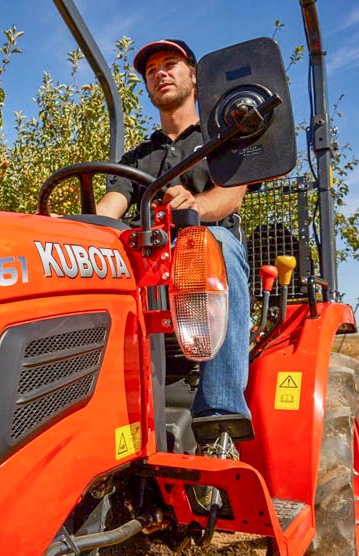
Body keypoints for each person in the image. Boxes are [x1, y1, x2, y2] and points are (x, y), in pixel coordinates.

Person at [96, 39, 252, 458]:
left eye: (170, 64)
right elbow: (111, 209)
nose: (160, 73)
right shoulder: (138, 157)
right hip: (150, 263)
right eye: (152, 71)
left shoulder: (222, 136)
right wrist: (79, 229)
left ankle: (219, 417)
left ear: (193, 75)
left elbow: (230, 198)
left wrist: (195, 208)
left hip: (205, 255)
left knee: (211, 241)